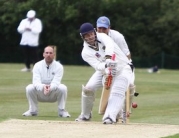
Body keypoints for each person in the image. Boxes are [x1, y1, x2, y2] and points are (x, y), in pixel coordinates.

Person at [75, 22, 133, 124]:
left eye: (91, 34)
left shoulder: (102, 36)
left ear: (94, 32)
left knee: (117, 90)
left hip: (123, 67)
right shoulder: (85, 53)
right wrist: (106, 66)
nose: (90, 37)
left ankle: (110, 116)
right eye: (87, 36)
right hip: (105, 70)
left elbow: (109, 44)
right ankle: (85, 115)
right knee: (88, 89)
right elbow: (97, 66)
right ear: (82, 37)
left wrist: (108, 57)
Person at [96, 16, 139, 122]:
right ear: (96, 27)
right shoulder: (94, 37)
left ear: (109, 28)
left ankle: (125, 113)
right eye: (99, 28)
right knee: (101, 86)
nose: (101, 30)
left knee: (130, 86)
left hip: (125, 65)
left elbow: (127, 55)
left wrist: (126, 70)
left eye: (104, 28)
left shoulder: (117, 36)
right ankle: (116, 114)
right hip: (107, 66)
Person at [22, 46, 70, 118]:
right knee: (29, 88)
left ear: (54, 55)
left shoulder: (59, 66)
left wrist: (49, 88)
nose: (48, 55)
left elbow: (56, 82)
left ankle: (61, 111)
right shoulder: (37, 65)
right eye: (47, 53)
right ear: (43, 54)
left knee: (63, 88)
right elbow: (36, 81)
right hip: (40, 92)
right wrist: (43, 87)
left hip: (53, 93)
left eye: (50, 53)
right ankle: (33, 111)